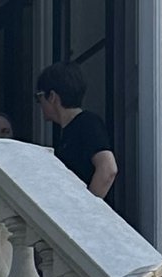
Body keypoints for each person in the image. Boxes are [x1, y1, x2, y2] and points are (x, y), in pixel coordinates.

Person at [35, 63, 117, 203]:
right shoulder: (68, 132)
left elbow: (108, 169)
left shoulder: (88, 123)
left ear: (52, 96)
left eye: (39, 97)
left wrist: (86, 209)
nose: (39, 103)